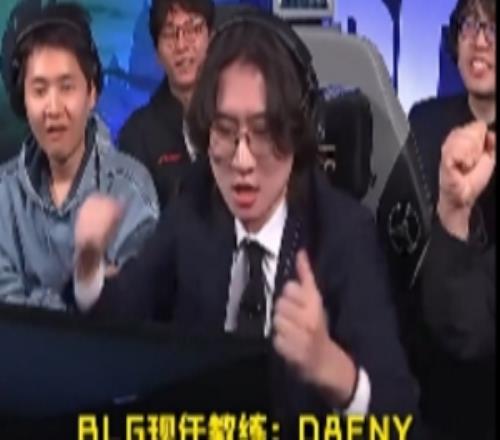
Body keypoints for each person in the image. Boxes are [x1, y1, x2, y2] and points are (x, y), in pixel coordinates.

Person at [73, 12, 418, 433]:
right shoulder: (194, 208)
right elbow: (125, 310)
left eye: (263, 131)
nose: (242, 161)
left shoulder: (344, 234)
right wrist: (88, 265)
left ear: (298, 132)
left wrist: (334, 370)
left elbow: (401, 416)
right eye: (225, 131)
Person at [0, 3, 159, 311]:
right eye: (39, 90)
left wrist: (90, 274)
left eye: (67, 87)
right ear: (23, 101)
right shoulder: (4, 196)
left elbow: (138, 308)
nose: (53, 108)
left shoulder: (130, 189)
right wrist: (83, 289)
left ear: (92, 92)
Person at [408, 0, 495, 438]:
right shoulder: (424, 121)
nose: (479, 41)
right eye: (469, 25)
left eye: (494, 27)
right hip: (428, 384)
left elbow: (474, 333)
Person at [118, 0, 214, 210]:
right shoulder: (137, 135)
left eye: (192, 29)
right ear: (157, 54)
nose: (181, 45)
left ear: (211, 37)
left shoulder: (234, 116)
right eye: (170, 34)